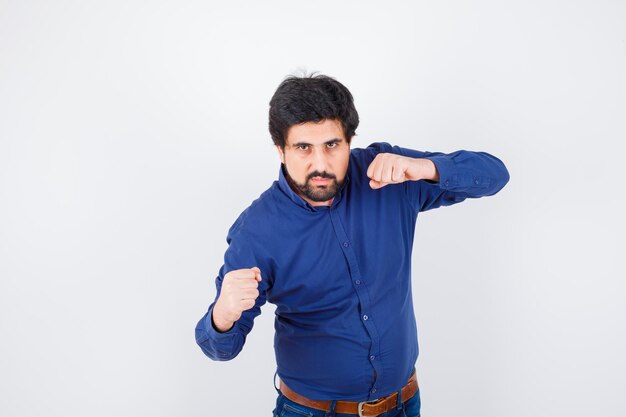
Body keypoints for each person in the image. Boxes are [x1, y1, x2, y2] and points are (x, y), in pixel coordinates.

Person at [195, 73, 510, 417]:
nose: (321, 164)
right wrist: (223, 313)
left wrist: (425, 167)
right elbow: (219, 348)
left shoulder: (389, 173)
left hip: (404, 404)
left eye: (332, 145)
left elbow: (495, 175)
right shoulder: (257, 231)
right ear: (280, 150)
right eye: (303, 148)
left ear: (349, 140)